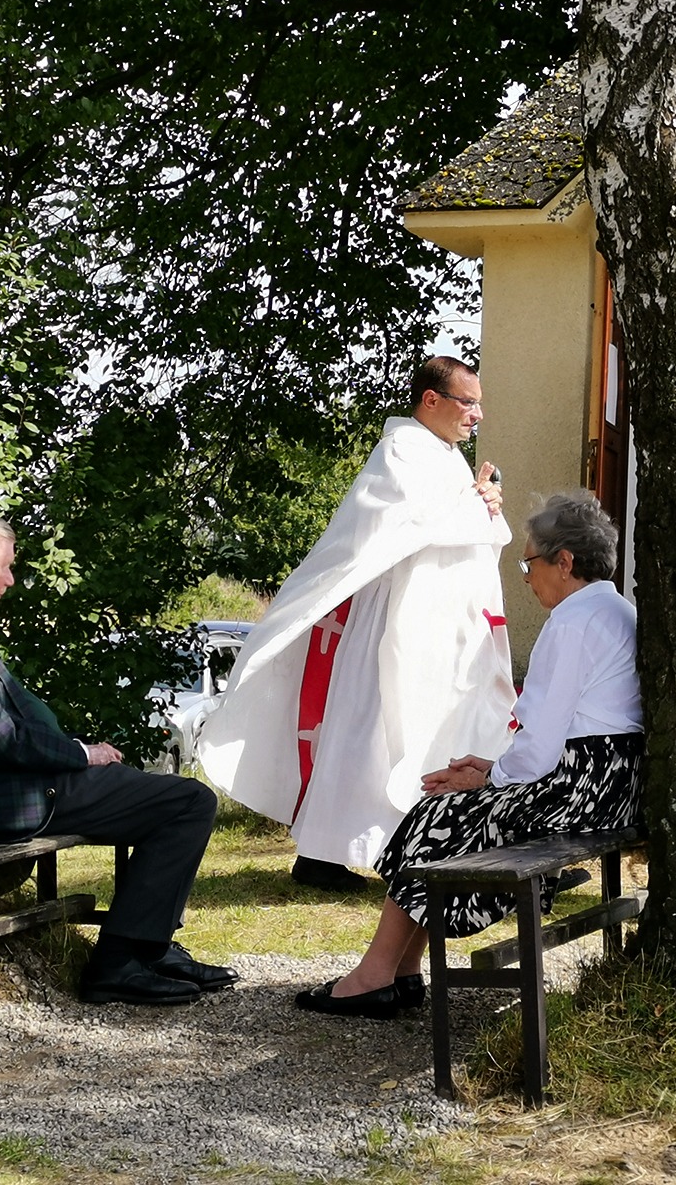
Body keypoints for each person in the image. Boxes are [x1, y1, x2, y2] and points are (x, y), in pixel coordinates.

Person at [295, 491, 643, 1018]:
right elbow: (556, 736)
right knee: (440, 810)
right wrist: (492, 769)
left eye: (530, 562)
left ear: (565, 561)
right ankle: (400, 971)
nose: (526, 577)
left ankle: (376, 975)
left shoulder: (573, 621)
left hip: (585, 793)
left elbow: (545, 739)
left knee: (436, 813)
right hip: (609, 785)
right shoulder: (613, 608)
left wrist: (491, 778)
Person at [0, 507, 238, 1005]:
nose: (9, 579)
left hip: (15, 783)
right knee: (188, 802)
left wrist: (81, 752)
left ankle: (149, 947)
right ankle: (120, 961)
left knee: (172, 799)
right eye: (5, 567)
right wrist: (77, 753)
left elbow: (21, 714)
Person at [199, 356, 519, 892]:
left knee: (423, 735)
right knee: (368, 734)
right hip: (387, 626)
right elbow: (408, 526)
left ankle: (416, 844)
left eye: (480, 404)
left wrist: (485, 504)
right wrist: (477, 511)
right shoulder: (400, 450)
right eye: (468, 402)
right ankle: (325, 853)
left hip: (435, 629)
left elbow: (463, 525)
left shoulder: (445, 457)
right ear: (431, 399)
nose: (477, 415)